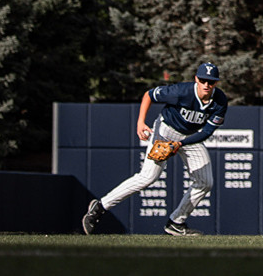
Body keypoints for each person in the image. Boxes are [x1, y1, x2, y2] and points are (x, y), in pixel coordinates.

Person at [83, 62, 229, 236]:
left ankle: (176, 222)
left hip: (190, 137)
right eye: (203, 80)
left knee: (206, 182)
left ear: (216, 83)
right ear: (196, 79)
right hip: (166, 131)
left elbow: (206, 131)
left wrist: (181, 144)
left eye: (211, 82)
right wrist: (140, 122)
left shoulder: (220, 101)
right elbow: (149, 95)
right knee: (148, 177)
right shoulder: (181, 91)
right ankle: (99, 207)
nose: (206, 85)